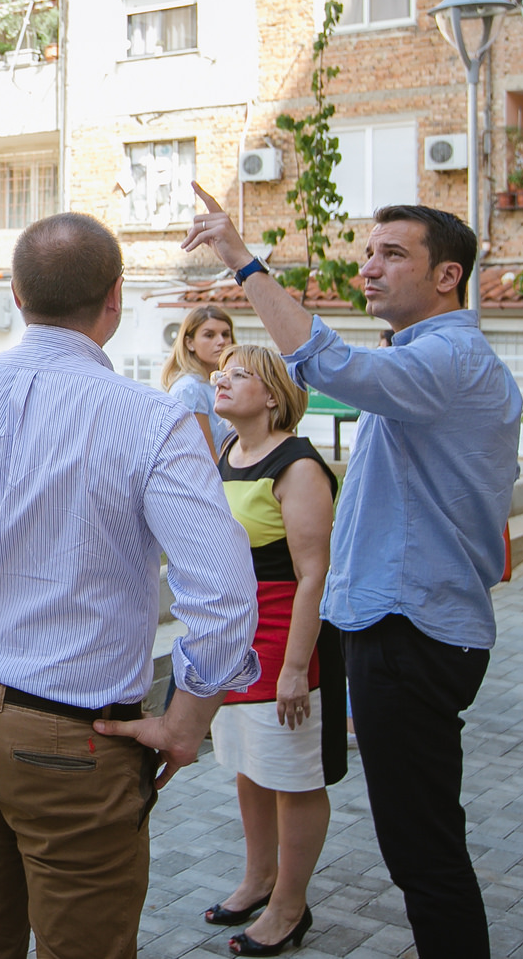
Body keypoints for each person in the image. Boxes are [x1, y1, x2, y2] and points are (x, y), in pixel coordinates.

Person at [0, 212, 261, 959]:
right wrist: (187, 719)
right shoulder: (153, 419)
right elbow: (226, 592)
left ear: (14, 293)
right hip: (72, 740)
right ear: (115, 299)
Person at [183, 185, 521, 959]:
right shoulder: (430, 359)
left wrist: (241, 257)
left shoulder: (447, 357)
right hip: (406, 626)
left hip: (410, 630)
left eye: (392, 253)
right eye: (367, 252)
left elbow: (324, 359)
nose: (369, 268)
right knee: (420, 836)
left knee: (421, 845)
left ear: (449, 276)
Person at [202, 343, 342, 958]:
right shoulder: (230, 450)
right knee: (248, 764)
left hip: (286, 634)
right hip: (237, 637)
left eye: (237, 374)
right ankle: (258, 878)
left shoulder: (299, 465)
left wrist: (293, 669)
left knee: (292, 774)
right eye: (220, 372)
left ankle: (290, 905)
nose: (220, 379)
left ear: (272, 393)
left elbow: (315, 575)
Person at [162, 305, 237, 454]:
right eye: (209, 335)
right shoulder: (190, 389)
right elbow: (206, 458)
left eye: (226, 334)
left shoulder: (220, 383)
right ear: (189, 343)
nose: (221, 341)